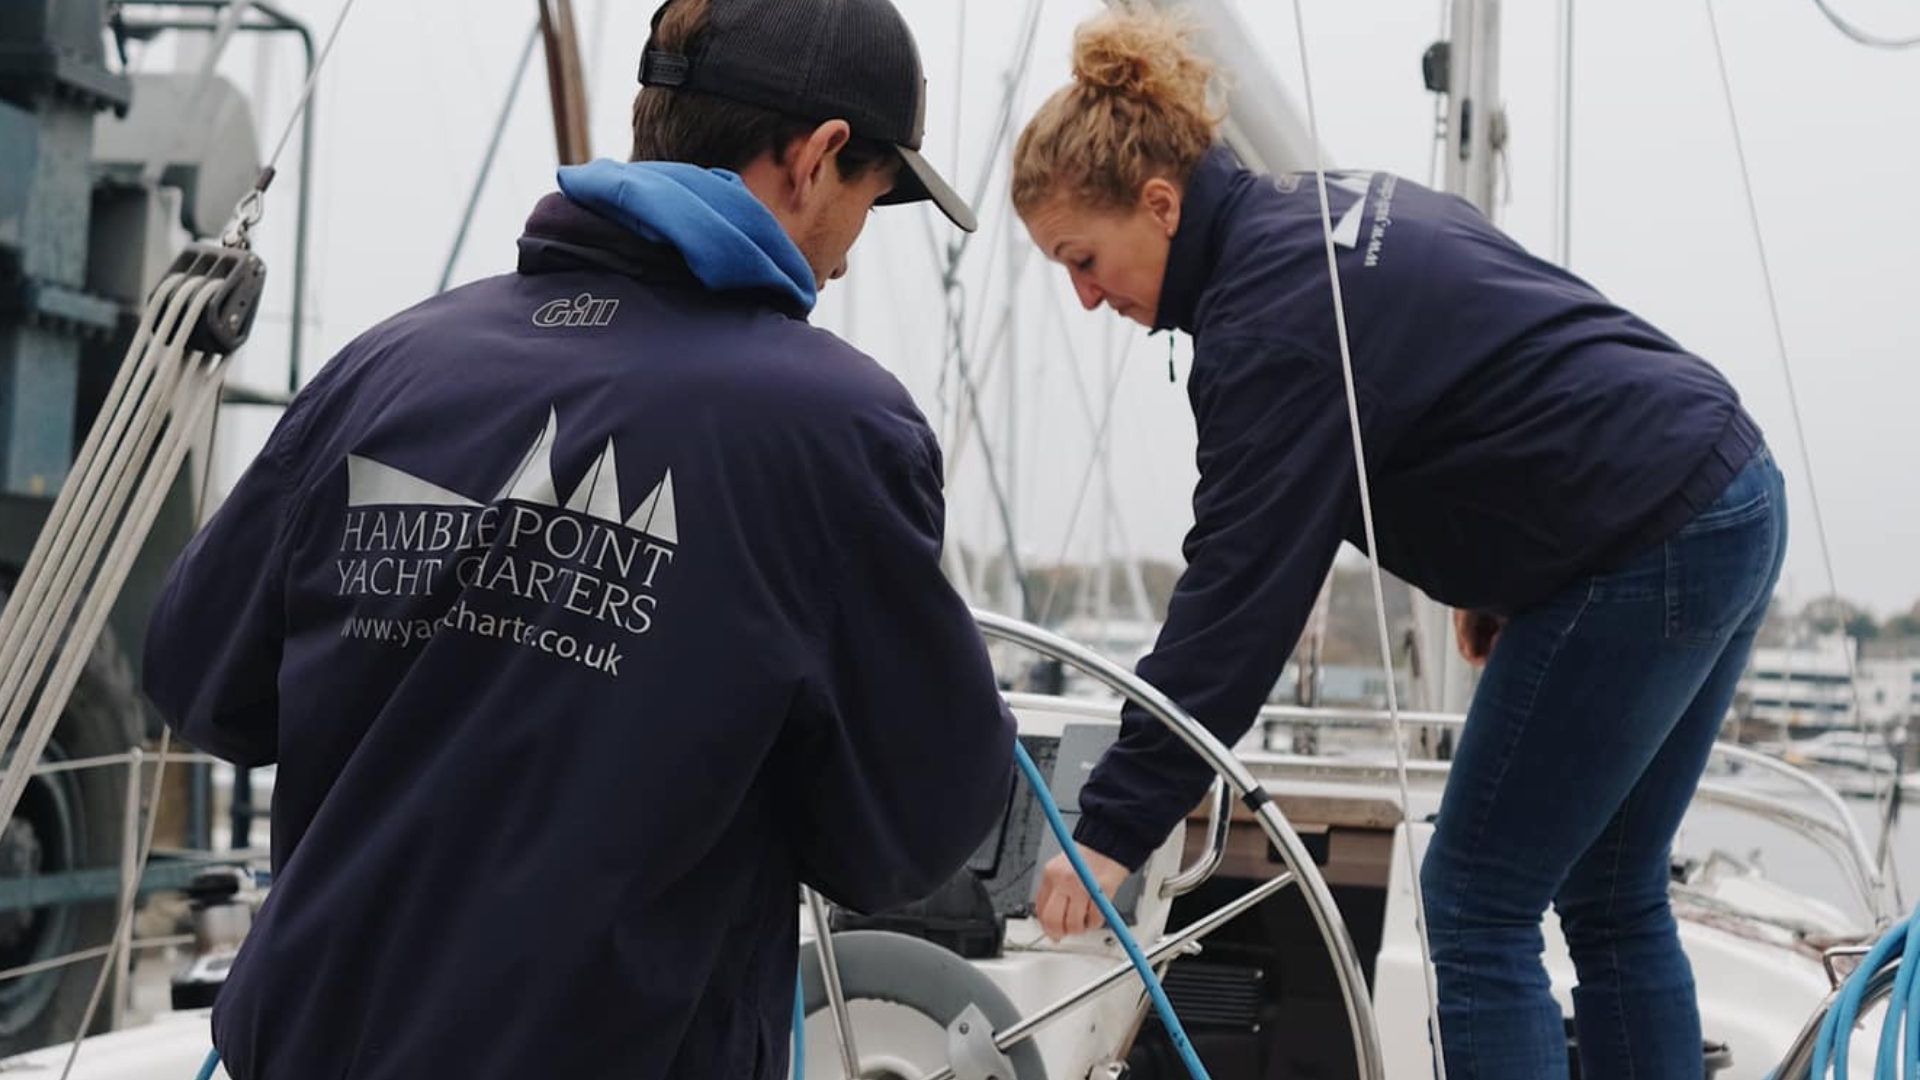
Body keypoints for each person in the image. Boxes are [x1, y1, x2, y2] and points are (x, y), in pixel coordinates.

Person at [142, 0, 1015, 1076]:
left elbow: (201, 681)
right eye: (868, 203)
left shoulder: (388, 366)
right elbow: (912, 833)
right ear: (816, 156)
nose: (840, 261)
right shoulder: (836, 433)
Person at [1011, 10, 1786, 1080]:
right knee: (1612, 895)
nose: (1087, 296)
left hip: (1644, 533)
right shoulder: (1322, 208)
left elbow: (1237, 598)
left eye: (1084, 259)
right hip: (1724, 484)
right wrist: (1504, 574)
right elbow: (1485, 356)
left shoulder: (1265, 320)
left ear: (1159, 203)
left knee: (1474, 903)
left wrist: (1111, 828)